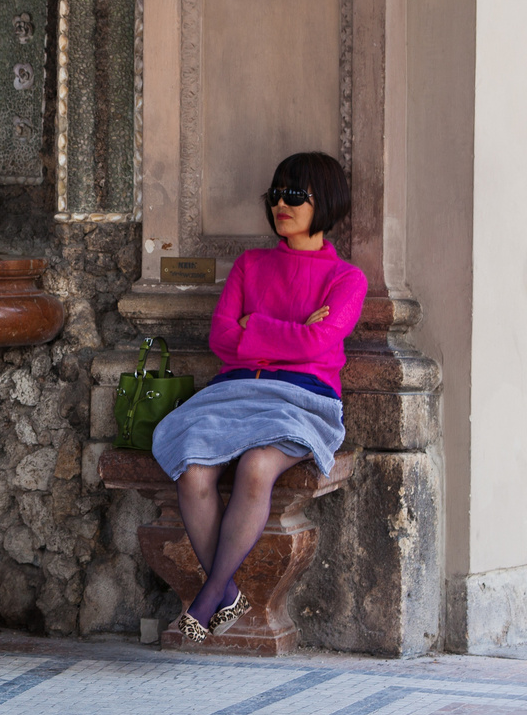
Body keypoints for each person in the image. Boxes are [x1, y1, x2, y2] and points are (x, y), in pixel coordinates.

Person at [149, 152, 366, 644]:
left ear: (325, 201)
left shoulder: (346, 279)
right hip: (236, 391)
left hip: (304, 398)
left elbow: (319, 345)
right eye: (276, 195)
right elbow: (221, 339)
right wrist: (285, 333)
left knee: (256, 468)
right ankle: (223, 595)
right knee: (194, 465)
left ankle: (209, 599)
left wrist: (256, 327)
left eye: (295, 196)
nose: (281, 206)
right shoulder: (250, 265)